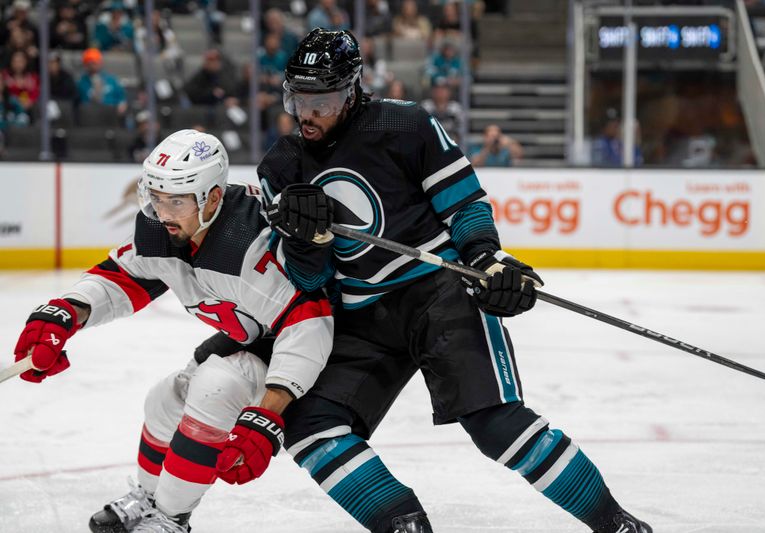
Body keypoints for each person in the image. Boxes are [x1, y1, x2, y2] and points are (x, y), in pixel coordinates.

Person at [256, 28, 652, 533]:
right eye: (298, 98)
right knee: (311, 425)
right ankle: (403, 525)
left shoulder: (406, 124)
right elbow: (307, 278)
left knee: (497, 425)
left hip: (436, 294)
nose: (307, 114)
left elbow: (464, 205)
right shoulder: (281, 167)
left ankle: (616, 524)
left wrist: (486, 258)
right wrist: (306, 241)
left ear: (353, 89)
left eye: (323, 100)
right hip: (358, 316)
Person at [11, 129, 333, 533]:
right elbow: (123, 276)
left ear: (213, 198)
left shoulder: (246, 242)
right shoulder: (164, 228)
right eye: (157, 196)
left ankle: (170, 519)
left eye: (176, 200)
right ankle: (150, 501)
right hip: (252, 337)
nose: (162, 212)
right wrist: (63, 313)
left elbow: (310, 323)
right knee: (164, 399)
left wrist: (267, 413)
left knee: (213, 387)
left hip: (308, 351)